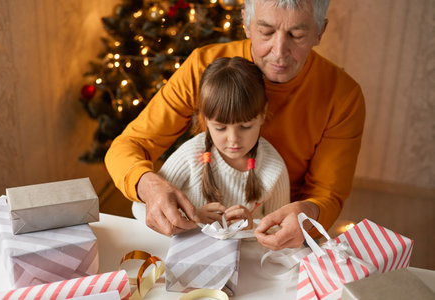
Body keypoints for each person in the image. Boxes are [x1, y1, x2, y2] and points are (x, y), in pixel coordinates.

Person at [105, 0, 365, 250]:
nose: (279, 51)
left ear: (320, 32)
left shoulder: (342, 96)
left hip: (282, 237)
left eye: (297, 35)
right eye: (266, 31)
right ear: (246, 23)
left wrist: (310, 213)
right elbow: (129, 146)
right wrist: (149, 185)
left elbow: (327, 193)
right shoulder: (202, 68)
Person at [131, 57, 290, 229]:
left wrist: (251, 227)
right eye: (221, 128)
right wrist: (193, 218)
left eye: (245, 126)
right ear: (206, 120)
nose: (233, 139)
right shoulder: (190, 156)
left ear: (262, 115)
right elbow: (141, 209)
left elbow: (280, 230)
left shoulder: (274, 168)